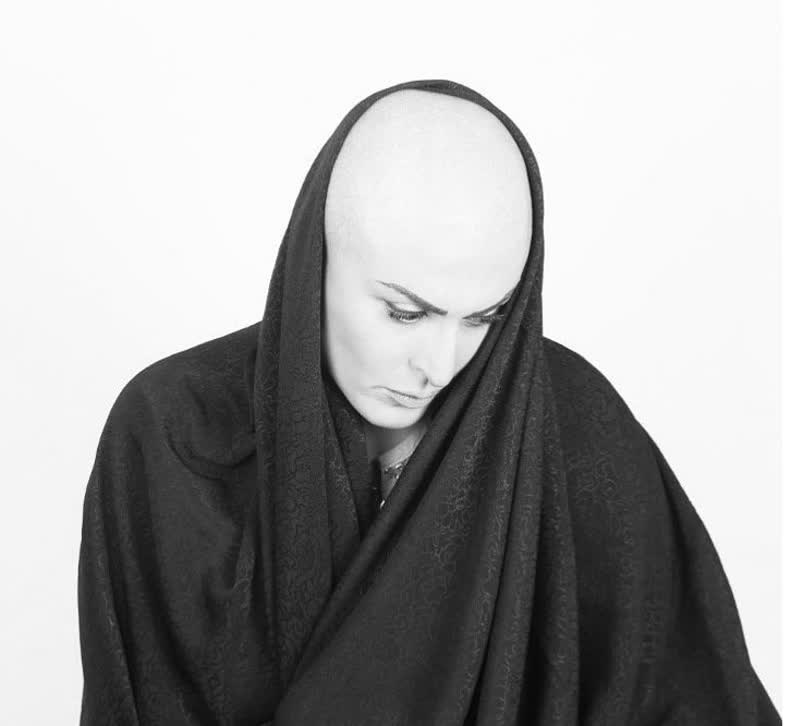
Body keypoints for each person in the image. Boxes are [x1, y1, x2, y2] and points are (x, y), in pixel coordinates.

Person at [78, 79, 780, 725]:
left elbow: (690, 695)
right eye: (404, 313)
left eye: (486, 319)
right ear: (315, 260)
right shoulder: (178, 434)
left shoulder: (578, 430)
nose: (439, 366)